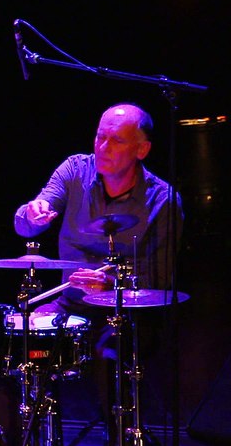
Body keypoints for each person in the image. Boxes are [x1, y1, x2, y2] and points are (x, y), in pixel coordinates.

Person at [14, 103, 183, 426]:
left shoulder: (164, 200)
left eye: (117, 140)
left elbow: (160, 280)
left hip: (128, 312)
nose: (103, 148)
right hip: (71, 302)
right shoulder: (75, 170)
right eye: (100, 137)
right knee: (14, 337)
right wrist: (33, 214)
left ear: (142, 149)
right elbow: (25, 223)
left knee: (110, 357)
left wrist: (110, 284)